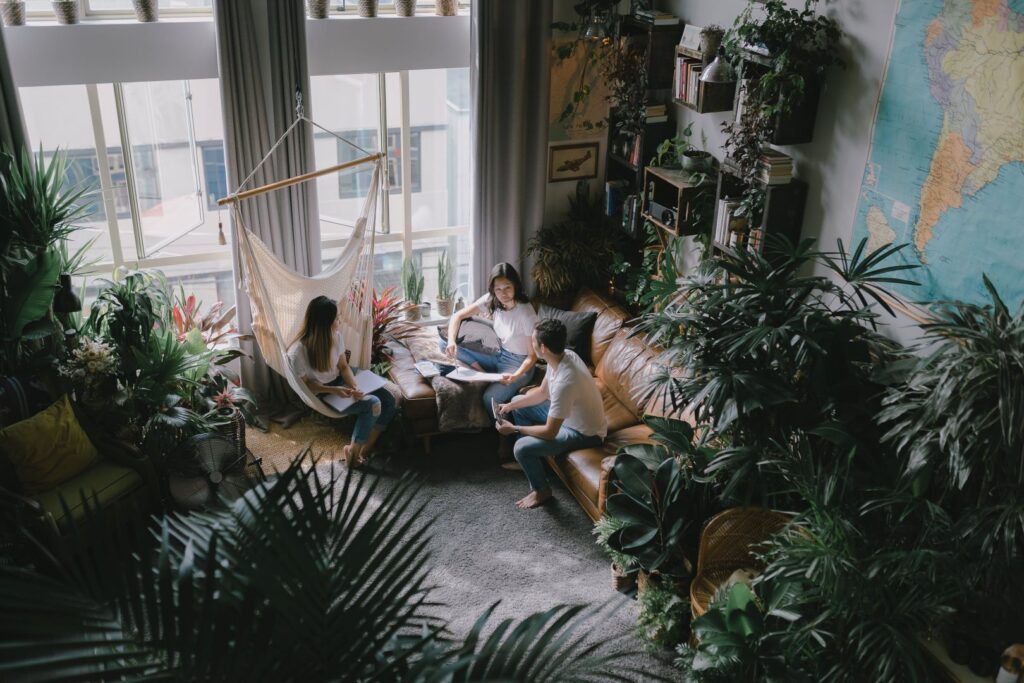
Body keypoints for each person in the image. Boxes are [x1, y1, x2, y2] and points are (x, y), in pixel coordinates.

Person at [496, 318, 607, 509]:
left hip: (585, 434)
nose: (531, 344)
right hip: (568, 418)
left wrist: (514, 428)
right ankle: (531, 463)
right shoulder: (563, 355)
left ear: (543, 348)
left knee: (521, 447)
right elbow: (542, 393)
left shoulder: (567, 381)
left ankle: (542, 491)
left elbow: (550, 432)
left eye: (533, 341)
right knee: (516, 402)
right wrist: (509, 407)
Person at [288, 295, 397, 468]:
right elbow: (308, 386)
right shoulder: (297, 353)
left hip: (342, 379)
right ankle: (354, 454)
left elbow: (344, 367)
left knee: (389, 400)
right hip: (324, 391)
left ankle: (360, 450)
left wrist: (355, 386)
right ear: (325, 323)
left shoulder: (336, 336)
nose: (341, 320)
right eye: (337, 318)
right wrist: (336, 390)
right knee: (373, 404)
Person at [442, 262, 538, 419]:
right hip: (499, 353)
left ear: (515, 285)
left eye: (507, 287)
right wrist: (452, 341)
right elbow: (457, 316)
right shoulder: (492, 300)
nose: (503, 293)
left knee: (489, 399)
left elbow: (532, 357)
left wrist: (515, 376)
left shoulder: (526, 313)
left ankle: (504, 434)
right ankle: (482, 373)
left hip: (519, 364)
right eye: (498, 289)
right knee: (444, 342)